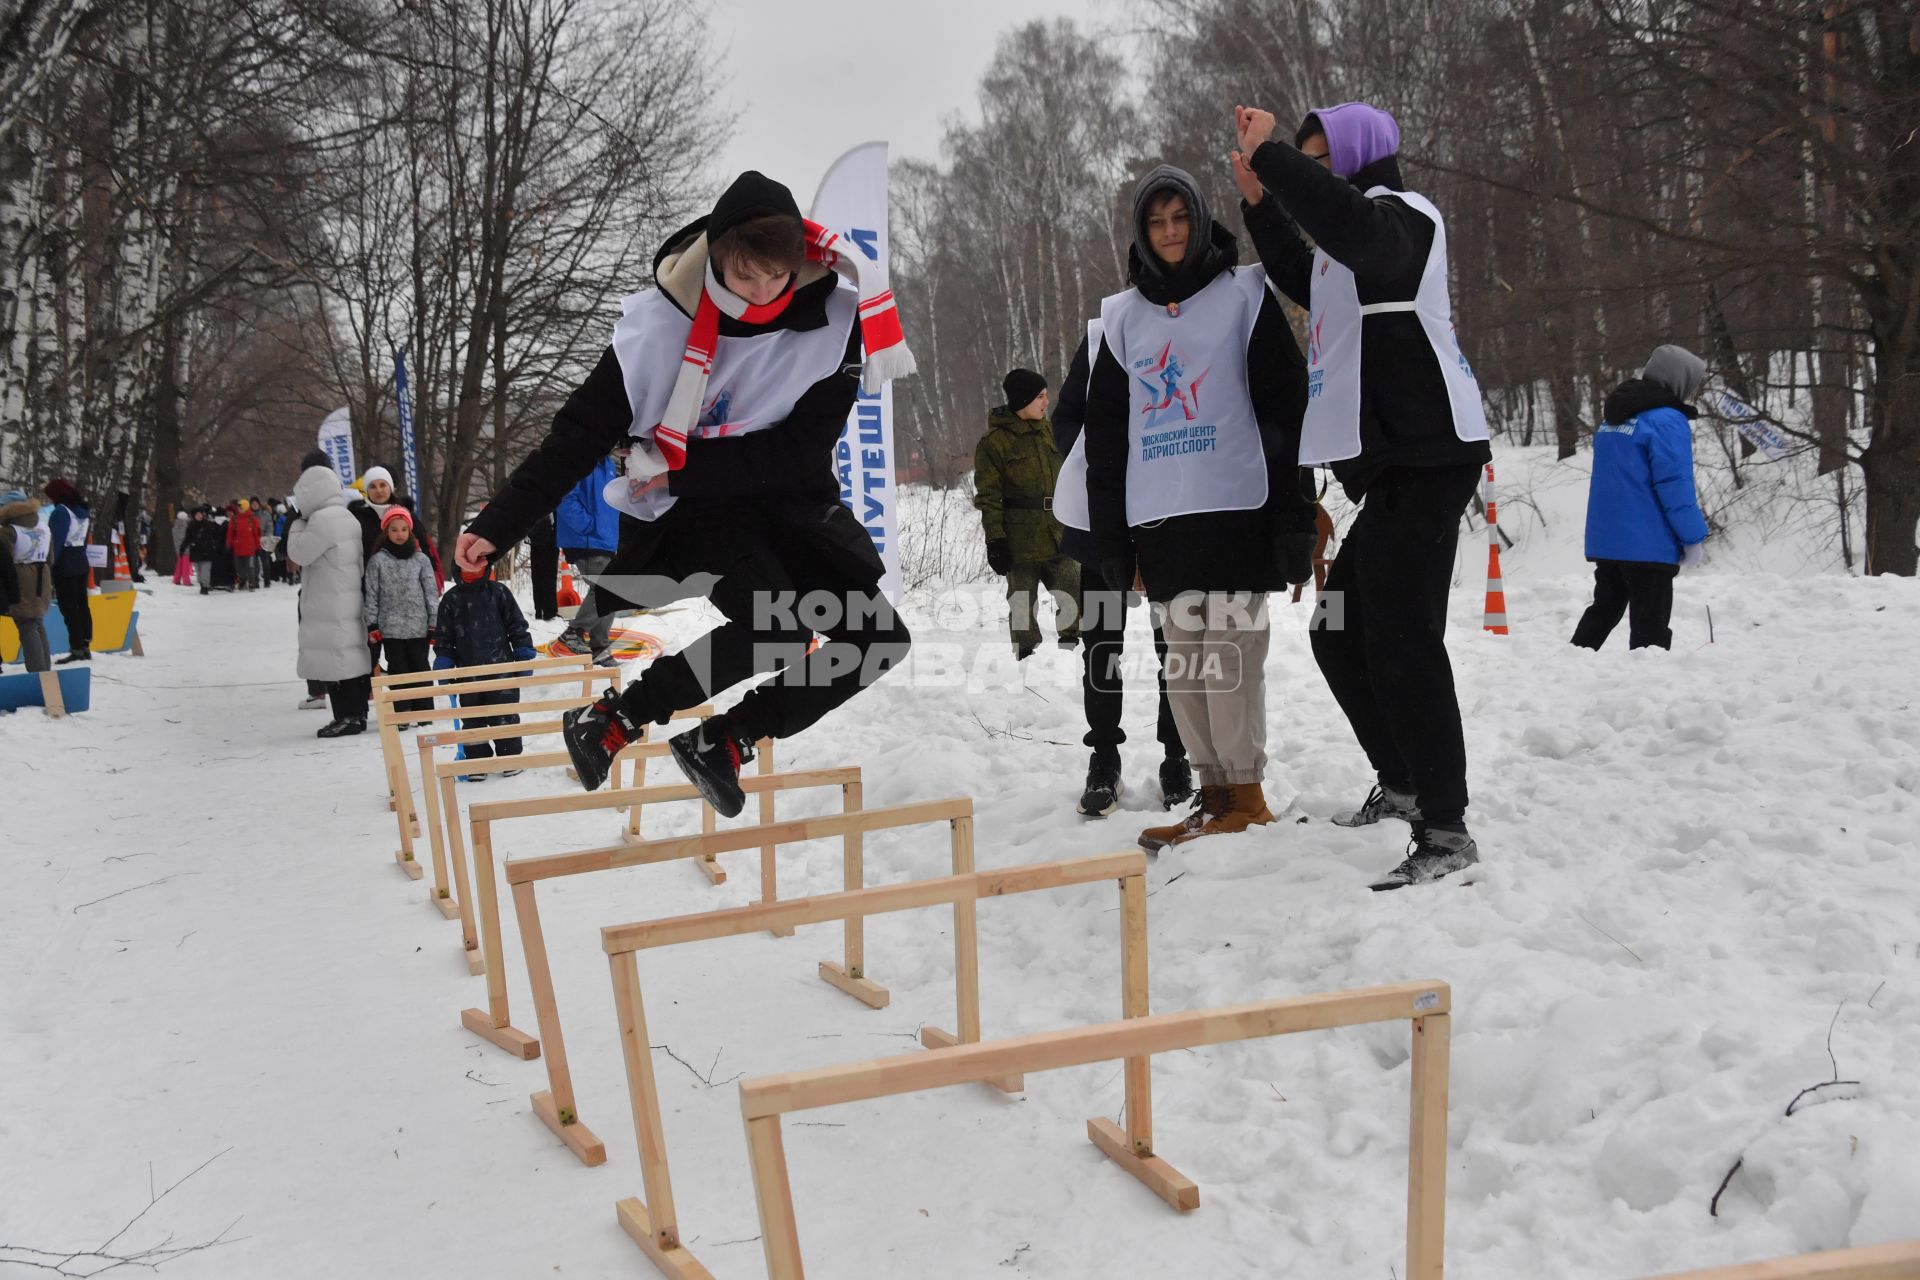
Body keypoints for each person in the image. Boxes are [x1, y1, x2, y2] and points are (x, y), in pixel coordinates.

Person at [451, 170, 916, 815]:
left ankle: (722, 738)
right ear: (716, 258)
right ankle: (618, 719)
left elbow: (798, 452)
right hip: (698, 512)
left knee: (877, 639)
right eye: (742, 276)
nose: (758, 294)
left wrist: (681, 468)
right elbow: (575, 440)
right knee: (774, 626)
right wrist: (497, 524)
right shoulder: (656, 331)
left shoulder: (836, 323)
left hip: (785, 500)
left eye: (774, 278)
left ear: (799, 264)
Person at [1233, 101, 1493, 888]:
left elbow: (1347, 226)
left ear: (1356, 157)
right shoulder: (1353, 245)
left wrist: (1276, 158)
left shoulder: (1404, 220)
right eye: (1302, 159)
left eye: (1320, 159)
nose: (1310, 173)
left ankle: (1446, 830)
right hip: (1391, 471)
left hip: (1429, 457)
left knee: (1404, 638)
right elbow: (1301, 271)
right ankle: (1405, 782)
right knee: (1339, 629)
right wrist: (1258, 199)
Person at [1082, 164, 1316, 853]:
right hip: (1162, 520)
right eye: (1156, 222)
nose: (1170, 232)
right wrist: (1111, 541)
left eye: (1179, 217)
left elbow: (1285, 400)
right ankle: (1214, 797)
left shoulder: (1243, 293)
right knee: (1184, 663)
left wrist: (1296, 514)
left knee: (1232, 652)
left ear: (1198, 217)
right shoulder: (1122, 316)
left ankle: (1246, 794)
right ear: (1142, 232)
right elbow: (1105, 436)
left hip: (1239, 507)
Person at [1053, 334, 1193, 817]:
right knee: (1102, 647)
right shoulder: (1103, 337)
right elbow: (1066, 416)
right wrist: (1104, 464)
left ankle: (1177, 755)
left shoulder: (1186, 335)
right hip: (1103, 521)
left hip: (1167, 521)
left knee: (1173, 647)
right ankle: (1104, 757)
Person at [1572, 345, 1711, 651]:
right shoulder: (1666, 420)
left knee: (1604, 610)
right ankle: (1650, 687)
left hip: (1609, 540)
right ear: (1679, 380)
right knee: (1651, 628)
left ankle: (1568, 665)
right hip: (1649, 544)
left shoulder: (1614, 418)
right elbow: (1674, 484)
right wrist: (1692, 536)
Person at [975, 368, 1081, 661]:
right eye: (1040, 397)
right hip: (1019, 539)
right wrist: (995, 540)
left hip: (1059, 530)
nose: (1047, 402)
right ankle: (1026, 661)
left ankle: (1071, 654)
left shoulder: (1050, 431)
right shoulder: (994, 443)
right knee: (1022, 604)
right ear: (1023, 400)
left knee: (1074, 592)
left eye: (1046, 396)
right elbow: (989, 497)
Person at [287, 460, 373, 737]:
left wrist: (297, 524)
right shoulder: (345, 516)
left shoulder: (321, 520)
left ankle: (346, 716)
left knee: (337, 660)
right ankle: (357, 714)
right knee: (351, 655)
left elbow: (299, 553)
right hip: (346, 596)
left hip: (330, 599)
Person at [433, 562, 536, 771]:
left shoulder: (498, 592)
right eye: (467, 561)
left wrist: (523, 652)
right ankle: (478, 761)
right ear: (458, 564)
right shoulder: (451, 599)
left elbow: (516, 625)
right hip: (467, 672)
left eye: (478, 561)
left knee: (504, 714)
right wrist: (444, 659)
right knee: (472, 717)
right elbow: (444, 636)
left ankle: (510, 758)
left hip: (501, 671)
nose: (472, 566)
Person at [549, 449, 622, 665]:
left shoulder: (608, 464)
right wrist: (589, 526)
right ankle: (575, 632)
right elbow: (564, 497)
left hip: (605, 539)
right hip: (587, 539)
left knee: (610, 590)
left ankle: (599, 645)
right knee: (608, 588)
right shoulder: (579, 459)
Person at [364, 507, 440, 715]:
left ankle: (424, 712)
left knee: (420, 668)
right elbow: (371, 594)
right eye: (394, 529)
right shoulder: (378, 561)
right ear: (386, 532)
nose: (399, 534)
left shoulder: (421, 560)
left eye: (404, 529)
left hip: (418, 628)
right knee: (398, 670)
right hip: (391, 629)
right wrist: (372, 624)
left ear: (410, 531)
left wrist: (434, 622)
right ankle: (403, 710)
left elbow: (431, 593)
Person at [1, 490, 54, 672]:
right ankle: (45, 668)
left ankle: (37, 671)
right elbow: (50, 557)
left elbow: (3, 561)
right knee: (37, 622)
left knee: (26, 625)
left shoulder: (9, 532)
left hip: (21, 578)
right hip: (43, 576)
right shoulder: (43, 527)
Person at [42, 478, 92, 662]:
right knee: (81, 605)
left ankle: (77, 647)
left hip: (65, 565)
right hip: (80, 561)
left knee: (69, 608)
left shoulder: (60, 513)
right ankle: (85, 643)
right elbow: (85, 538)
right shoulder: (83, 511)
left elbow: (56, 543)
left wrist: (49, 566)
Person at [528, 512, 560, 621]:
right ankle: (548, 610)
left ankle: (541, 609)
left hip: (537, 532)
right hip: (547, 533)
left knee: (539, 574)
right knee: (548, 574)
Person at [227, 498, 263, 590]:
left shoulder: (253, 520)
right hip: (237, 548)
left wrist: (258, 547)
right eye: (239, 508)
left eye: (241, 508)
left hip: (250, 549)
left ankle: (252, 583)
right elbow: (230, 534)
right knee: (239, 568)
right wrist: (229, 545)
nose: (240, 510)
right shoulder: (234, 520)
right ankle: (243, 580)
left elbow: (257, 535)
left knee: (251, 567)